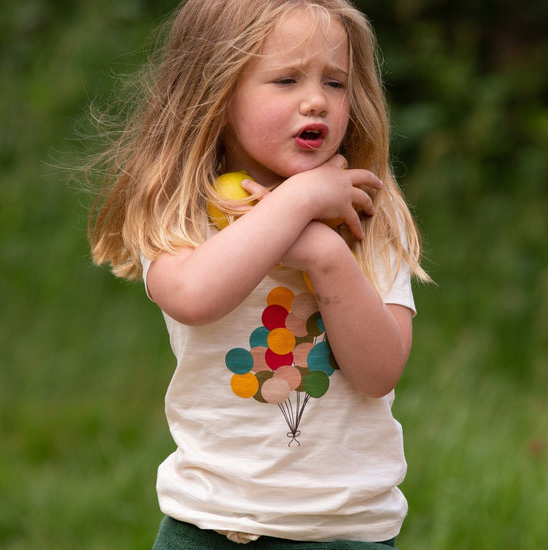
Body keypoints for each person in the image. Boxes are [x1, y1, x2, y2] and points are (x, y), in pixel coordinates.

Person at [88, 0, 430, 548]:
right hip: (213, 522)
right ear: (219, 96)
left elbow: (379, 372)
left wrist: (325, 253)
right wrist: (299, 200)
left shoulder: (364, 214)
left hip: (346, 530)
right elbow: (194, 296)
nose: (316, 100)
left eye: (336, 82)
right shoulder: (184, 214)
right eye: (287, 79)